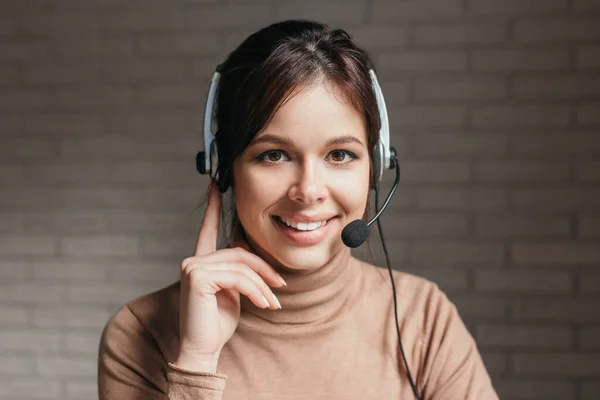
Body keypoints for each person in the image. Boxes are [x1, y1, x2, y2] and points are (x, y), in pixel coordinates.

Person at [97, 19, 499, 400]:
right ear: (224, 168)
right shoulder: (139, 333)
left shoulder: (424, 316)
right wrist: (197, 364)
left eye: (340, 154)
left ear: (376, 164)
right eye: (273, 155)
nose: (308, 192)